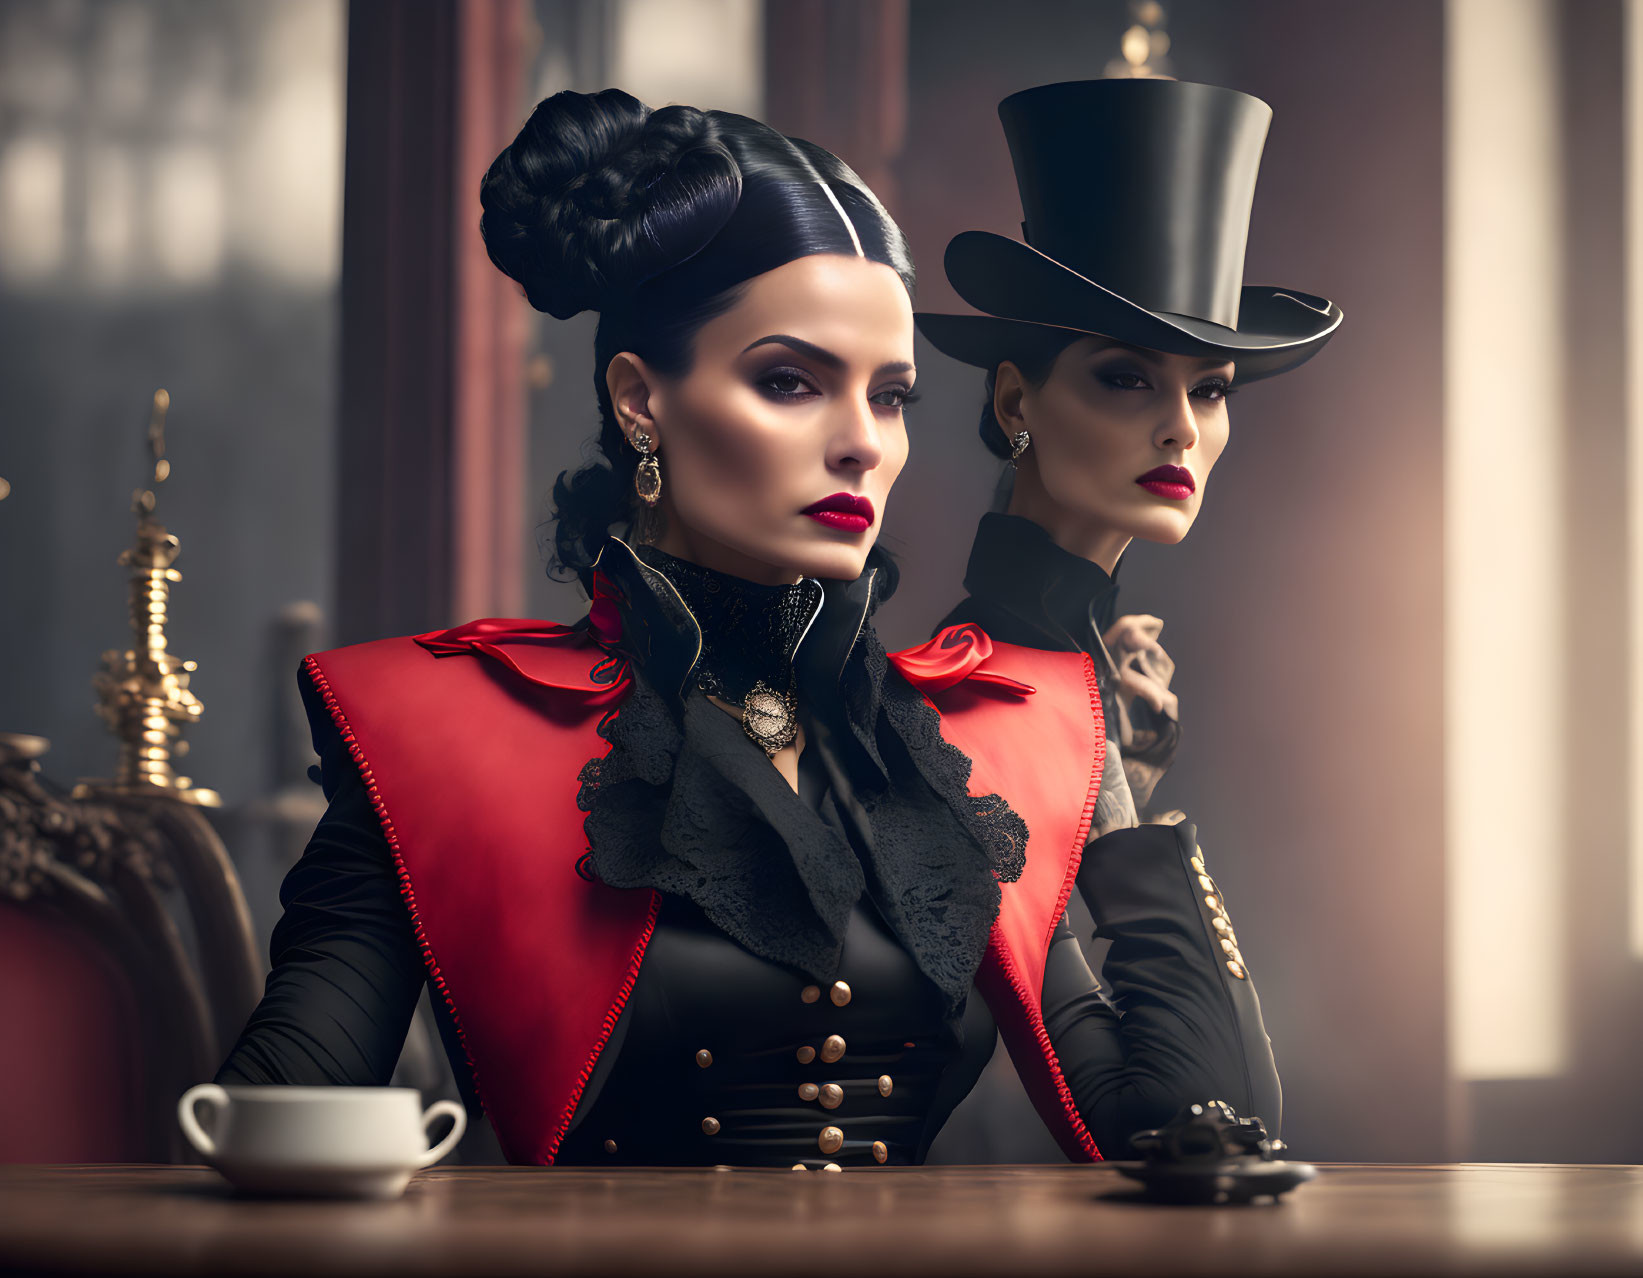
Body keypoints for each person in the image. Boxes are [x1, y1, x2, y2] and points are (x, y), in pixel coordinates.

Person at [217, 86, 1277, 1169]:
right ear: (641, 402)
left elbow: (1181, 1126)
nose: (862, 443)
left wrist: (1097, 744)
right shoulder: (442, 733)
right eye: (789, 382)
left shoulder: (949, 754)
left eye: (891, 395)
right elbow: (269, 1129)